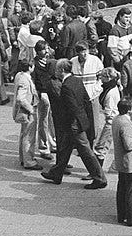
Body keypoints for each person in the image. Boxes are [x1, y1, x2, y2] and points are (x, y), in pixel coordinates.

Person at [41, 59, 108, 190]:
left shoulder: (66, 86)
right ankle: (56, 173)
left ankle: (99, 178)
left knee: (85, 151)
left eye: (57, 70)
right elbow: (85, 100)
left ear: (61, 70)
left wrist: (72, 124)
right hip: (78, 122)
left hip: (73, 125)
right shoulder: (77, 80)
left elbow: (71, 108)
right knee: (65, 149)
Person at [107, 98, 132, 226]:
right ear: (129, 109)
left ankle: (122, 214)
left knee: (122, 189)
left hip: (122, 162)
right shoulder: (126, 124)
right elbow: (129, 145)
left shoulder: (117, 119)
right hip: (131, 163)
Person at [11, 61, 42, 170]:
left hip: (24, 112)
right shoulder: (25, 80)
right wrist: (31, 109)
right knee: (29, 136)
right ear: (30, 67)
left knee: (24, 134)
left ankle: (23, 158)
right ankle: (29, 161)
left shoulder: (19, 75)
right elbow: (21, 98)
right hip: (27, 112)